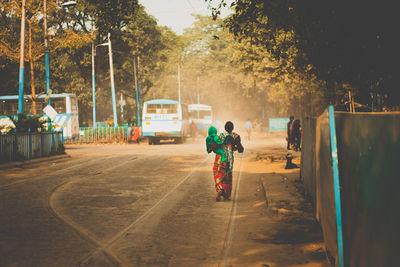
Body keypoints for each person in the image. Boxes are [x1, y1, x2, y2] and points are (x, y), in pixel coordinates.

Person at [216, 121, 244, 201]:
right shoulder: (235, 136)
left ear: (225, 128)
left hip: (221, 159)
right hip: (230, 160)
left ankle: (220, 189)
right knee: (228, 176)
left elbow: (215, 146)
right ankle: (227, 194)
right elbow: (241, 150)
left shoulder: (220, 136)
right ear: (232, 128)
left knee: (221, 175)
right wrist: (235, 147)